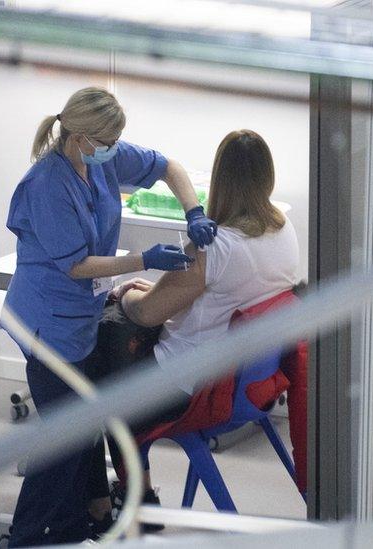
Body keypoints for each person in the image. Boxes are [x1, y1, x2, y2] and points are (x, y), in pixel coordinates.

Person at [3, 87, 217, 547]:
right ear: (79, 137)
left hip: (80, 314)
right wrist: (143, 261)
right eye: (107, 140)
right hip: (45, 321)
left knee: (81, 426)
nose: (114, 148)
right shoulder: (45, 185)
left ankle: (79, 524)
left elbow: (169, 166)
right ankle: (24, 536)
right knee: (63, 441)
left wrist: (193, 210)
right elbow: (76, 265)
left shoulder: (103, 160)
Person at [110, 129, 301, 503]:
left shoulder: (213, 248)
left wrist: (127, 293)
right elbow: (223, 298)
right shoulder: (283, 228)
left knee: (105, 376)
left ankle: (135, 498)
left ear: (219, 178)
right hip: (251, 383)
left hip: (192, 387)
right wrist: (153, 290)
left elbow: (148, 315)